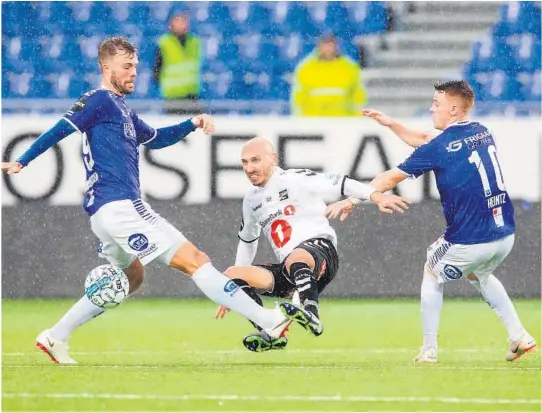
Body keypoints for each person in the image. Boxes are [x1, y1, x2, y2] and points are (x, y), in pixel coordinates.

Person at [1, 37, 306, 364]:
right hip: (121, 206)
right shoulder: (99, 100)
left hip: (105, 214)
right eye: (126, 66)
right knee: (196, 261)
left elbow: (156, 140)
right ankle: (269, 321)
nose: (134, 72)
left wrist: (191, 123)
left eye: (135, 66)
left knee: (131, 278)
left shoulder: (122, 109)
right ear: (106, 68)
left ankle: (54, 336)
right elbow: (60, 129)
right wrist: (23, 160)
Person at [325, 80, 536, 363]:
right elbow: (427, 139)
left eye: (436, 104)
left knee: (432, 271)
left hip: (470, 240)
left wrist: (351, 200)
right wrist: (391, 124)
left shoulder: (440, 146)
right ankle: (519, 336)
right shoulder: (481, 132)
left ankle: (429, 350)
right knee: (479, 274)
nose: (430, 108)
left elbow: (388, 179)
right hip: (504, 234)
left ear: (452, 109)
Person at [214, 137, 410, 352]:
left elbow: (341, 183)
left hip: (320, 253)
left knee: (296, 258)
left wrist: (376, 196)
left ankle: (311, 314)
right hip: (291, 270)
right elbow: (248, 240)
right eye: (244, 162)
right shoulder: (251, 199)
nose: (249, 168)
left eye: (255, 160)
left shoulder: (295, 179)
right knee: (230, 275)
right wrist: (230, 292)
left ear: (273, 159)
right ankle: (272, 330)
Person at [291, 33, 367, 117]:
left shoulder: (350, 67)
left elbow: (358, 95)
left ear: (336, 45)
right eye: (324, 44)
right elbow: (299, 96)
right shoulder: (305, 68)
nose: (327, 48)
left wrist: (355, 118)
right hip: (313, 120)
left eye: (330, 44)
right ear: (319, 45)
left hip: (342, 120)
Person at [153, 13, 202, 115]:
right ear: (171, 25)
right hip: (173, 96)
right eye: (178, 22)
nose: (182, 25)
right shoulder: (164, 43)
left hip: (192, 94)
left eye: (183, 22)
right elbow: (157, 68)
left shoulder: (195, 42)